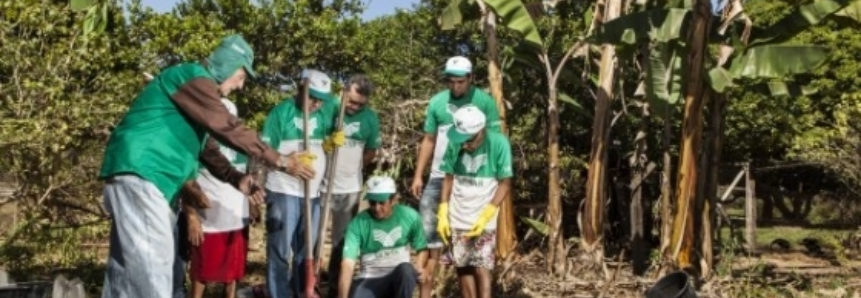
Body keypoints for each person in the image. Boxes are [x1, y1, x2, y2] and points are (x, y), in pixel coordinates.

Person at [99, 34, 312, 298]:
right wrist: (279, 160)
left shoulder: (194, 95)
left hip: (140, 175)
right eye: (242, 76)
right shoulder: (193, 76)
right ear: (230, 65)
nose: (241, 86)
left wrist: (237, 179)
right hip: (144, 171)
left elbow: (208, 148)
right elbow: (225, 126)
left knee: (126, 270)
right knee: (155, 263)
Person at [409, 56, 502, 298]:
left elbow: (493, 142)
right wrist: (419, 175)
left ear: (471, 78)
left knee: (469, 247)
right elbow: (429, 140)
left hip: (471, 181)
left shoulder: (485, 102)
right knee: (430, 242)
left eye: (460, 82)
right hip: (439, 177)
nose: (455, 87)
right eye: (450, 82)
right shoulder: (438, 102)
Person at [260, 69, 345, 298]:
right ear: (300, 89)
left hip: (313, 193)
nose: (316, 104)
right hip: (283, 190)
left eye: (321, 100)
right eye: (313, 97)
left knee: (306, 249)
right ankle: (278, 293)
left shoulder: (324, 114)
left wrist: (328, 144)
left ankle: (301, 291)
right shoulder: (280, 113)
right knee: (280, 250)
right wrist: (287, 162)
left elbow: (323, 143)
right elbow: (264, 152)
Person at [436, 106, 512, 298]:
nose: (464, 144)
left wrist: (487, 214)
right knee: (462, 266)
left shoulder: (498, 143)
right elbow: (448, 177)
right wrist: (443, 210)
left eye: (468, 139)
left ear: (480, 131)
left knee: (482, 265)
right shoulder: (455, 140)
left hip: (484, 213)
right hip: (458, 212)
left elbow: (504, 184)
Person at [182, 98, 254, 298]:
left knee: (232, 276)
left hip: (237, 218)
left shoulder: (241, 145)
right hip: (208, 223)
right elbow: (186, 181)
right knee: (201, 274)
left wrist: (252, 207)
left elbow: (247, 178)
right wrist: (192, 216)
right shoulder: (198, 143)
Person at [321, 74, 381, 298]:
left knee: (341, 242)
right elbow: (314, 141)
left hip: (350, 188)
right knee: (313, 238)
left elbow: (371, 150)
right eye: (352, 101)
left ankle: (335, 288)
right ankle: (309, 283)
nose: (355, 107)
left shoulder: (370, 118)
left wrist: (355, 166)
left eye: (360, 104)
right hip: (322, 185)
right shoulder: (328, 108)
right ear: (344, 92)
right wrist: (327, 144)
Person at [337, 176, 428, 298]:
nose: (377, 208)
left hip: (398, 275)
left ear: (393, 200)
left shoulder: (410, 216)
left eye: (382, 203)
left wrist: (419, 266)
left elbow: (422, 247)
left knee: (406, 270)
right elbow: (347, 264)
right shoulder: (357, 223)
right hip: (370, 277)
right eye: (373, 203)